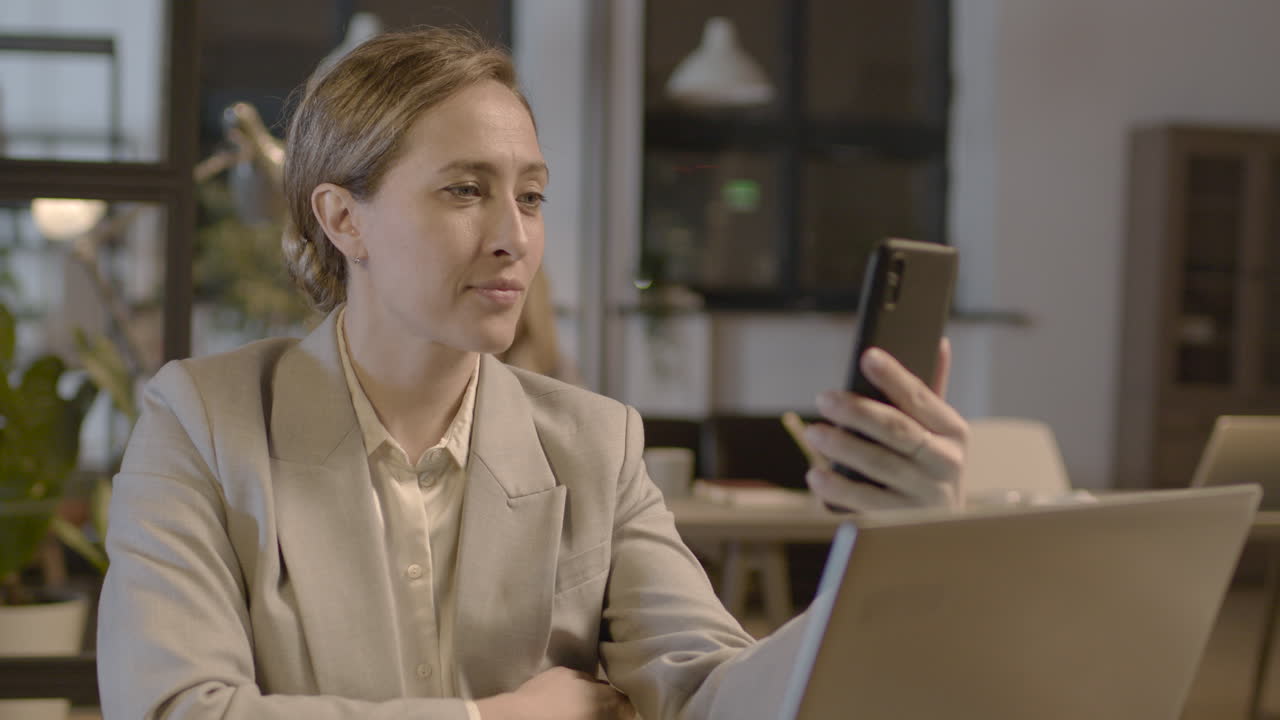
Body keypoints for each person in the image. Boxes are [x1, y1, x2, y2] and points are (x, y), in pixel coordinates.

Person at [97, 27, 968, 720]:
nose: (514, 235)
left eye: (532, 195)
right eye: (465, 190)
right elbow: (176, 709)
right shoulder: (202, 425)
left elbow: (713, 697)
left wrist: (894, 559)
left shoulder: (594, 445)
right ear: (342, 219)